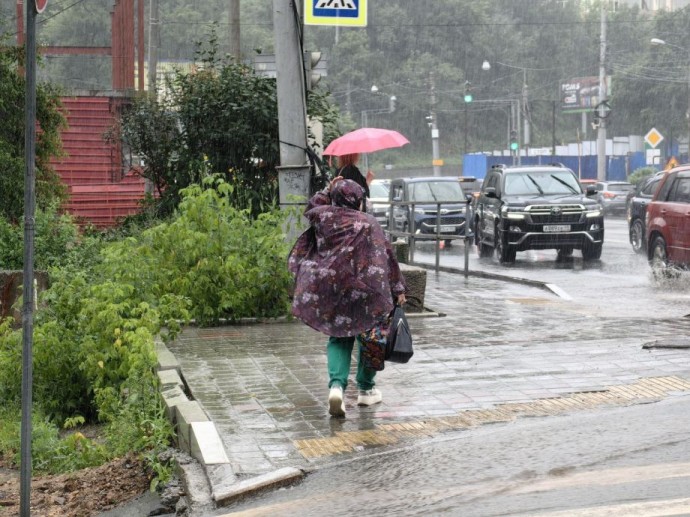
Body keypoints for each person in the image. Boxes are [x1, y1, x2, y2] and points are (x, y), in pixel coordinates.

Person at [288, 178, 407, 417]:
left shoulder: (324, 218)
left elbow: (310, 207)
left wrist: (327, 188)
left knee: (339, 338)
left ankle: (336, 387)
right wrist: (398, 289)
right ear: (357, 200)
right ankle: (365, 389)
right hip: (368, 292)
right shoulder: (369, 223)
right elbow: (387, 257)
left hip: (334, 290)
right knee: (372, 338)